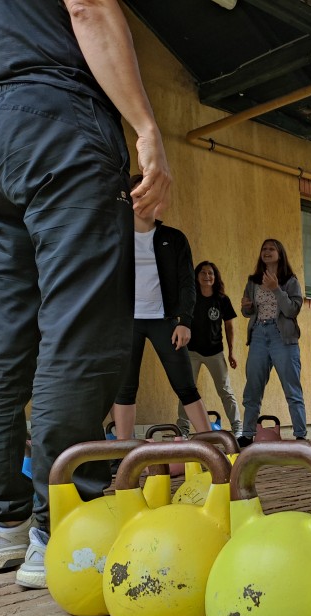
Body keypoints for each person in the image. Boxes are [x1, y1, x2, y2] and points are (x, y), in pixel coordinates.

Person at [0, 0, 172, 589]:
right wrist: (146, 128)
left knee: (6, 329)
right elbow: (87, 7)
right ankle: (64, 523)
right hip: (59, 115)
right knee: (81, 323)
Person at [113, 175, 209, 440]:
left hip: (164, 321)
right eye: (137, 195)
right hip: (127, 322)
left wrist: (185, 321)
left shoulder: (174, 238)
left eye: (147, 194)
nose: (142, 200)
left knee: (186, 386)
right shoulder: (116, 237)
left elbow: (187, 284)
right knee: (124, 389)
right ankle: (123, 453)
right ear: (128, 200)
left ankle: (211, 445)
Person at [239, 238, 306, 444]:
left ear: (280, 254)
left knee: (291, 388)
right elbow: (247, 312)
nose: (267, 252)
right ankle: (247, 434)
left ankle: (300, 435)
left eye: (271, 249)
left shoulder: (290, 281)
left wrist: (276, 288)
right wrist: (246, 306)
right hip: (258, 334)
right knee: (253, 387)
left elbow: (292, 310)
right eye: (264, 249)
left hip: (282, 337)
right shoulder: (253, 281)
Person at [177, 261, 243, 437]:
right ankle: (182, 430)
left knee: (225, 390)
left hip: (215, 352)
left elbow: (229, 327)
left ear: (215, 277)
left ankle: (237, 428)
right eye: (203, 273)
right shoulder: (191, 298)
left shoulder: (222, 300)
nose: (207, 276)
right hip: (191, 352)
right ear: (197, 276)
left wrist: (231, 352)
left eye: (211, 273)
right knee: (186, 390)